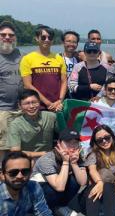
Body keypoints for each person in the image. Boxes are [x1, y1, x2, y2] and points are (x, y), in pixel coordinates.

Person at [31, 128, 87, 214]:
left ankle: (59, 206)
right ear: (58, 143)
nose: (72, 147)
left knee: (74, 181)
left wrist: (74, 163)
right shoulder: (47, 159)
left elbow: (82, 182)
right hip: (38, 192)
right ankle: (45, 209)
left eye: (75, 143)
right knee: (52, 188)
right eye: (68, 142)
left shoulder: (77, 157)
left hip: (58, 191)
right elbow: (59, 187)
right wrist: (65, 162)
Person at [83, 125, 115, 216]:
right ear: (96, 142)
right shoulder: (93, 154)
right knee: (102, 177)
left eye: (107, 137)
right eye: (100, 140)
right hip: (95, 190)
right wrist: (100, 182)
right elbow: (92, 170)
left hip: (112, 191)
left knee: (108, 185)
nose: (104, 141)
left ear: (112, 137)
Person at [20, 25, 67, 111]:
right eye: (43, 37)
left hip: (58, 105)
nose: (47, 40)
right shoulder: (27, 59)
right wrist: (48, 103)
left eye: (50, 37)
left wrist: (60, 100)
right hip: (37, 106)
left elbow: (64, 81)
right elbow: (27, 85)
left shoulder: (59, 58)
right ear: (37, 38)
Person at [7, 89, 57, 160]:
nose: (31, 106)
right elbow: (15, 151)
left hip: (48, 158)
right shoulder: (15, 124)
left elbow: (65, 132)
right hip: (26, 159)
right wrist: (42, 154)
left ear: (39, 102)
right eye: (27, 103)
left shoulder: (51, 117)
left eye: (34, 102)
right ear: (19, 106)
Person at [0, 151, 52, 215]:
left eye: (25, 171)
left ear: (30, 173)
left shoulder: (34, 187)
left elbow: (43, 212)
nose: (19, 176)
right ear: (2, 175)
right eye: (13, 172)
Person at [0, 21, 22, 163]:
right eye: (3, 35)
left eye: (11, 35)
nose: (7, 37)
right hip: (2, 111)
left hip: (21, 110)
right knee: (3, 147)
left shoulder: (20, 54)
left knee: (17, 147)